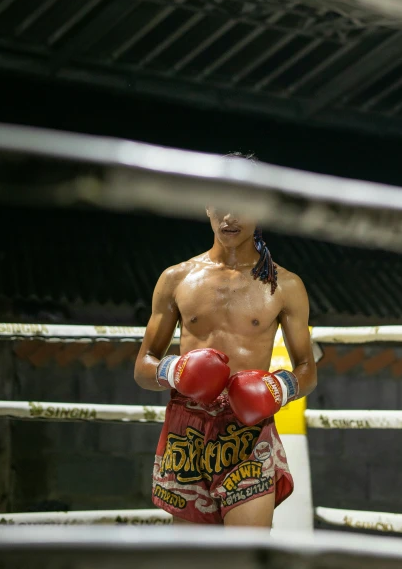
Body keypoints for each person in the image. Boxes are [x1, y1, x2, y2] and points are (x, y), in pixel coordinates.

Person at [134, 154, 317, 528]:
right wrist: (176, 370)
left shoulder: (285, 285)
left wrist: (278, 387)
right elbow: (142, 367)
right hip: (186, 433)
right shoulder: (176, 279)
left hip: (247, 434)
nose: (230, 216)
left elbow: (307, 370)